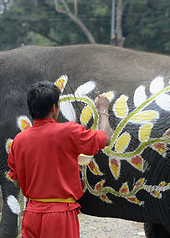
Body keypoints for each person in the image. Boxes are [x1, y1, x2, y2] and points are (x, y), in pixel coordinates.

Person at [7, 81, 111, 238]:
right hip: (60, 216)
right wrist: (103, 109)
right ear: (54, 108)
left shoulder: (18, 141)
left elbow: (17, 182)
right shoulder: (69, 132)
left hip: (32, 214)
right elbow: (105, 138)